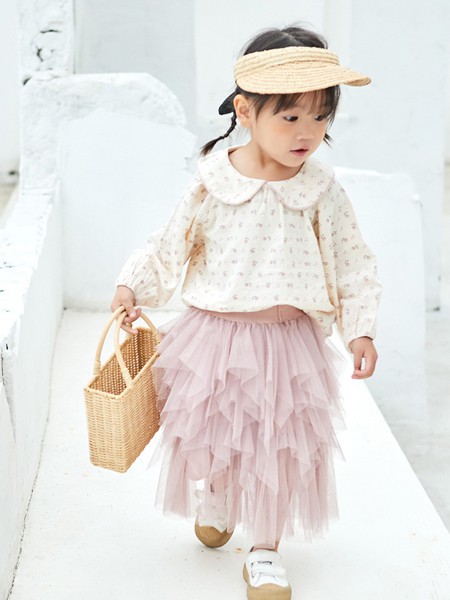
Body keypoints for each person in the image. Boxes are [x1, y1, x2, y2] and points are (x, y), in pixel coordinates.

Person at [111, 24, 382, 600]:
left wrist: (360, 328)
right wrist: (133, 286)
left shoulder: (321, 190)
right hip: (216, 334)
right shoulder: (213, 181)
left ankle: (264, 550)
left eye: (321, 116)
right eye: (290, 116)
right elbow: (171, 244)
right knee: (214, 431)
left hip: (288, 344)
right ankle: (216, 494)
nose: (307, 132)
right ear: (245, 110)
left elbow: (353, 262)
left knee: (278, 447)